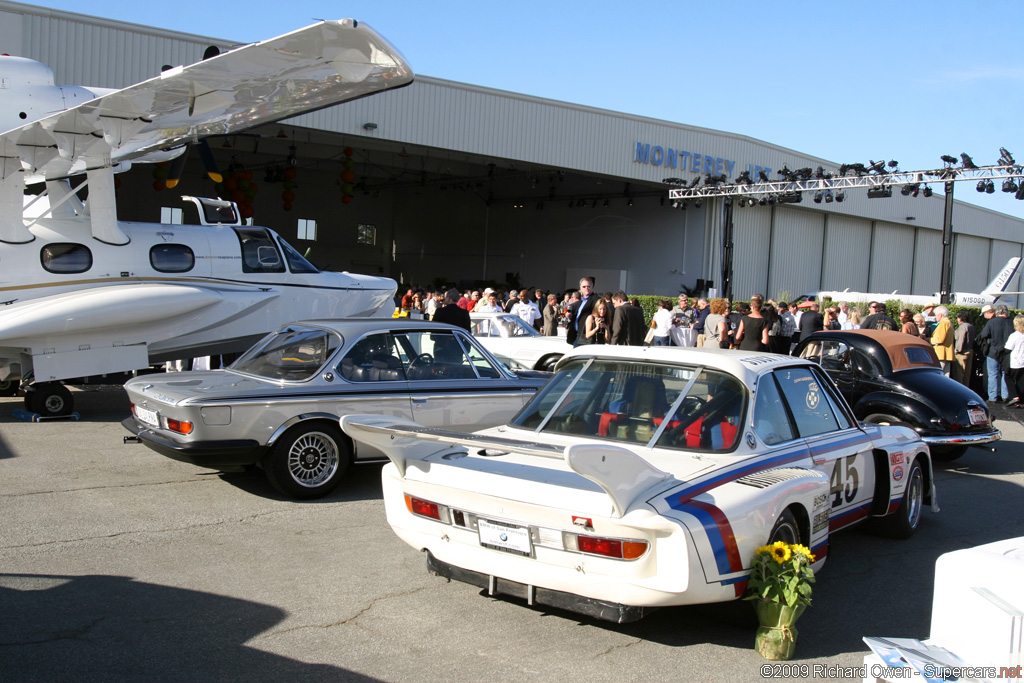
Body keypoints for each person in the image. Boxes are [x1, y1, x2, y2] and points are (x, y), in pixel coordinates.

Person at [977, 304, 1014, 403]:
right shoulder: (1012, 322)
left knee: (992, 374)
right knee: (1005, 373)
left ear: (997, 312)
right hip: (1007, 352)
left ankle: (993, 397)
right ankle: (1005, 396)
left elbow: (983, 335)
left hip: (993, 351)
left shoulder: (991, 322)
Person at [566, 277, 597, 346]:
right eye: (584, 286)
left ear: (592, 287)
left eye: (589, 286)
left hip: (587, 338)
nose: (586, 288)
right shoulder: (579, 302)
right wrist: (570, 316)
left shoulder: (596, 300)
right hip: (576, 336)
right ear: (580, 288)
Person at [1004, 315, 1024, 407]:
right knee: (1020, 381)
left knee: (1008, 378)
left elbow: (1008, 349)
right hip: (1022, 361)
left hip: (1014, 361)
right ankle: (1021, 398)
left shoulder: (1014, 335)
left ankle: (1014, 397)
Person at [952, 310, 975, 386]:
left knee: (959, 373)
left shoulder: (963, 327)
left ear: (960, 318)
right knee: (966, 374)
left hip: (962, 352)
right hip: (970, 350)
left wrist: (957, 350)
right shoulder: (971, 326)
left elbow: (961, 339)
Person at [930, 305, 954, 376]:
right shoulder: (949, 322)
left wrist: (929, 340)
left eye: (936, 315)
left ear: (940, 315)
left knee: (938, 375)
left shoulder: (943, 323)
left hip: (941, 353)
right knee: (946, 376)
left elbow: (939, 339)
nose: (935, 317)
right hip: (947, 353)